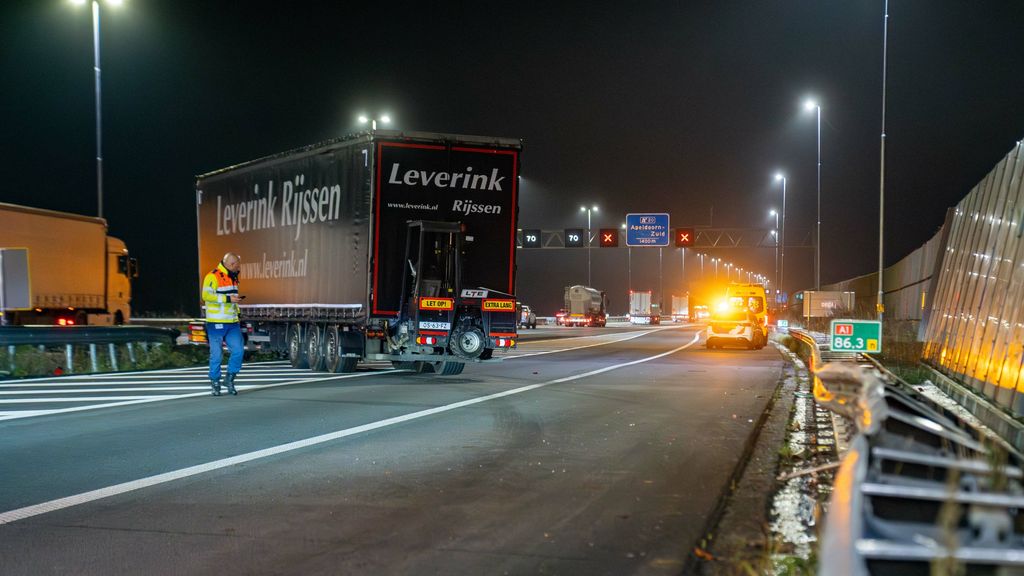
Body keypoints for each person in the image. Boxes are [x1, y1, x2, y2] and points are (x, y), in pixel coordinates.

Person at [201, 252, 243, 396]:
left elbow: (233, 299)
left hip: (232, 323)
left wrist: (237, 313)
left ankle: (229, 379)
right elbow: (205, 296)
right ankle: (215, 382)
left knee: (238, 351)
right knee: (217, 354)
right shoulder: (212, 276)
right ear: (231, 264)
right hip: (216, 323)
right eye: (237, 265)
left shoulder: (233, 277)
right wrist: (227, 299)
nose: (239, 268)